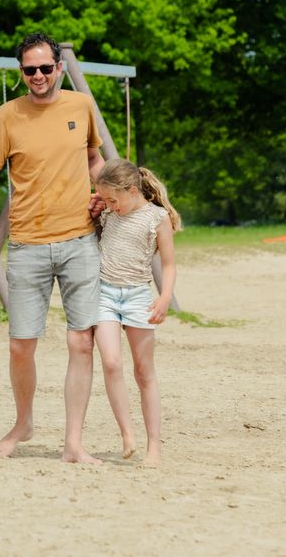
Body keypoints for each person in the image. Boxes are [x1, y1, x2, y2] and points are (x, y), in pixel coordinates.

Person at [0, 32, 105, 462]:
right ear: (21, 72)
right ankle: (23, 422)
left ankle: (73, 442)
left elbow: (94, 160)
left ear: (59, 68)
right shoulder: (7, 116)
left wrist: (103, 192)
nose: (39, 76)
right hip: (27, 243)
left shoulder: (81, 106)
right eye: (30, 70)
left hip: (80, 239)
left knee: (81, 342)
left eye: (46, 68)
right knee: (20, 344)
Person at [92, 158, 179, 466]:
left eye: (113, 199)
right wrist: (100, 204)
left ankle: (154, 445)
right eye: (105, 200)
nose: (110, 205)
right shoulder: (106, 213)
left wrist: (164, 297)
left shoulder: (156, 218)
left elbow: (168, 264)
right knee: (111, 362)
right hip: (104, 294)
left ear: (131, 191)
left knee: (144, 373)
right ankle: (127, 433)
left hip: (138, 296)